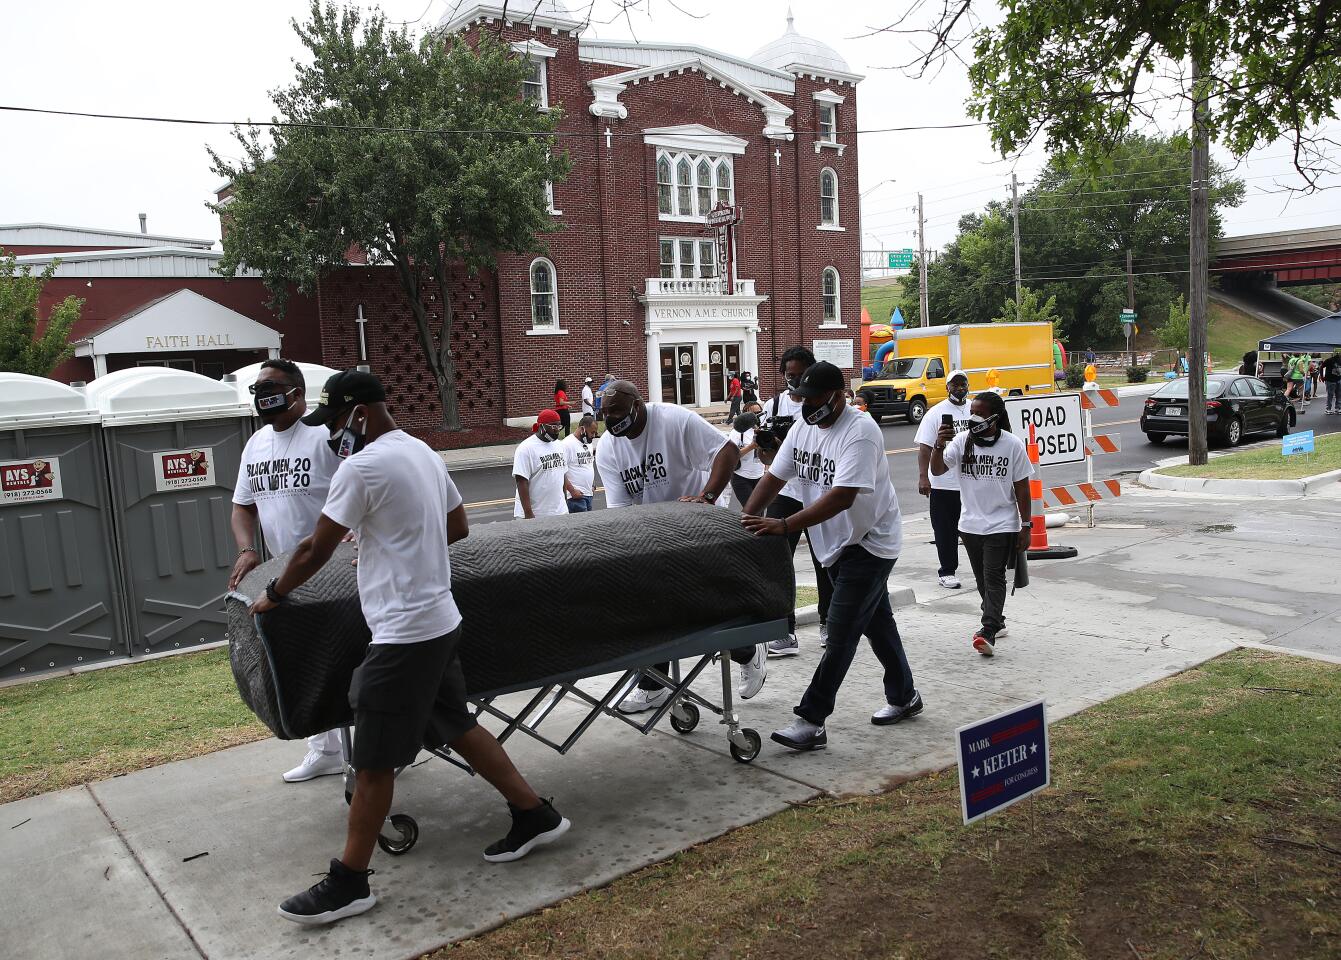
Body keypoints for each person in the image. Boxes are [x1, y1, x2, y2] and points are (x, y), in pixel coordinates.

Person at [251, 370, 569, 925]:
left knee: (372, 760)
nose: (331, 436)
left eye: (335, 423)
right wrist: (394, 540)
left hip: (404, 635)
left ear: (358, 413)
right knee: (456, 724)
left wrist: (274, 593)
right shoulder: (420, 452)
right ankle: (535, 815)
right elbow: (458, 526)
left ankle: (349, 882)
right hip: (440, 619)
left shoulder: (361, 466)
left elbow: (311, 550)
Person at [742, 361, 921, 751]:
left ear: (838, 395)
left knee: (841, 633)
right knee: (877, 623)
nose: (807, 406)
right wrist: (748, 517)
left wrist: (786, 526)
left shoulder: (860, 431)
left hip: (870, 542)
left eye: (816, 399)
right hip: (835, 544)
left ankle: (811, 719)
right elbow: (773, 477)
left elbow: (843, 496)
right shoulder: (803, 427)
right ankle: (905, 696)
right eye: (802, 399)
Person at [595, 380, 767, 708]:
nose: (610, 420)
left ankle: (748, 650)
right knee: (651, 607)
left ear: (636, 404)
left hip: (697, 524)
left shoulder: (674, 420)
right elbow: (619, 509)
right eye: (604, 414)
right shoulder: (607, 447)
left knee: (705, 606)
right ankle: (653, 683)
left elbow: (727, 452)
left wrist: (708, 496)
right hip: (654, 533)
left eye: (616, 411)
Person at [229, 359, 348, 784]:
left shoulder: (324, 436)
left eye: (271, 386)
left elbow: (360, 485)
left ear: (296, 391)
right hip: (287, 570)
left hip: (336, 569)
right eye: (257, 388)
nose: (262, 394)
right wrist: (247, 549)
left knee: (347, 658)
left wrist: (355, 528)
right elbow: (242, 505)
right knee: (307, 660)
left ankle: (376, 751)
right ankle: (325, 749)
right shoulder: (256, 443)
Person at [930, 391, 1034, 657]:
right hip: (970, 524)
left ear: (995, 418)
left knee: (993, 576)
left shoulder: (1012, 445)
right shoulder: (962, 441)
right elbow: (938, 470)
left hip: (1002, 523)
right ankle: (997, 621)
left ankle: (986, 631)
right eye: (972, 411)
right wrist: (938, 444)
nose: (974, 416)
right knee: (981, 581)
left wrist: (1026, 525)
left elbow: (1022, 488)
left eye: (980, 412)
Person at [754, 346, 834, 655]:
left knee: (824, 559)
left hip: (817, 492)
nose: (794, 381)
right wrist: (769, 445)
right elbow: (765, 458)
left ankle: (829, 622)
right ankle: (783, 632)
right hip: (785, 492)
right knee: (778, 562)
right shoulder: (774, 405)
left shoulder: (823, 405)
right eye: (789, 375)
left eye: (800, 375)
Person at [915, 370, 973, 591]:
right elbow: (924, 448)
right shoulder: (935, 413)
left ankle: (983, 568)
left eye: (963, 384)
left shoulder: (975, 409)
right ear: (947, 387)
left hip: (970, 481)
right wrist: (923, 478)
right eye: (955, 384)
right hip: (943, 483)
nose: (959, 388)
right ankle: (947, 571)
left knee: (974, 529)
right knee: (945, 531)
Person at [514, 409, 578, 519]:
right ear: (541, 426)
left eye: (559, 426)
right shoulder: (526, 448)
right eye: (553, 426)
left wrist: (564, 503)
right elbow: (521, 481)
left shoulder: (560, 446)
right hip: (535, 514)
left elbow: (562, 475)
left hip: (559, 512)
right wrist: (528, 514)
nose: (557, 430)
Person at [729, 401, 765, 509]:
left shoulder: (763, 429)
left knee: (760, 509)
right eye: (753, 414)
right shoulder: (737, 432)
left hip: (759, 476)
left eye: (759, 412)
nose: (757, 416)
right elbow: (731, 455)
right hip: (741, 477)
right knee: (752, 509)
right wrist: (752, 446)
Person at [563, 414, 599, 511]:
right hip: (575, 497)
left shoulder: (588, 443)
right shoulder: (567, 444)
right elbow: (561, 471)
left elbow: (589, 464)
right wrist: (572, 491)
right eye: (592, 432)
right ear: (582, 429)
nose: (594, 436)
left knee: (588, 525)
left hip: (588, 494)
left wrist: (592, 483)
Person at [1322, 349, 1341, 415]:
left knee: (1339, 394)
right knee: (1330, 395)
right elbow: (1321, 367)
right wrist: (1322, 377)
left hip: (1338, 379)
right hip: (1330, 380)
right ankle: (1328, 409)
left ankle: (1338, 408)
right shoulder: (1329, 360)